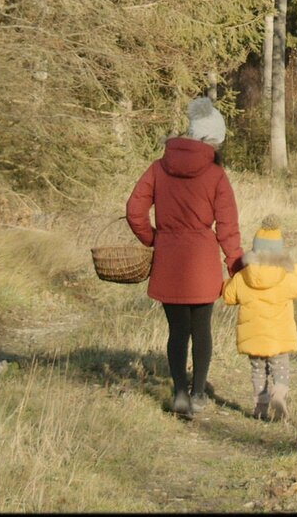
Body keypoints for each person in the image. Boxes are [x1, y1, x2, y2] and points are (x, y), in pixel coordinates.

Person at [124, 95, 242, 419]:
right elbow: (228, 226)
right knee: (202, 330)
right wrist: (235, 263)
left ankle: (179, 393)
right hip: (202, 262)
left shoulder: (159, 167)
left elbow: (134, 210)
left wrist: (154, 239)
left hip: (169, 260)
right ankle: (199, 393)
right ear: (213, 139)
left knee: (177, 331)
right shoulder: (217, 175)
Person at [219, 213, 297, 421]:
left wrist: (228, 279)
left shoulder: (243, 276)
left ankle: (261, 406)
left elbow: (229, 295)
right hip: (279, 336)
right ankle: (279, 393)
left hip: (253, 336)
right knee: (281, 367)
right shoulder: (287, 276)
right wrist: (295, 266)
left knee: (258, 370)